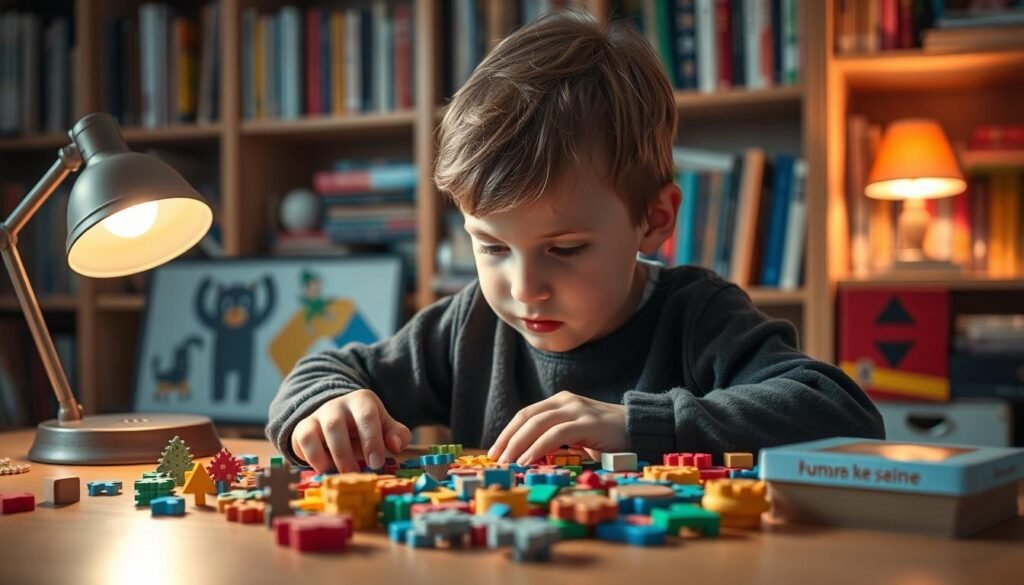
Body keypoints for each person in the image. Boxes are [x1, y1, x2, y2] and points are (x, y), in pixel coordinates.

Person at [266, 10, 884, 473]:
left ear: (654, 219)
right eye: (492, 248)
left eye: (564, 249)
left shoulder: (697, 315)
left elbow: (842, 414)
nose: (523, 286)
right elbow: (326, 369)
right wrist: (329, 405)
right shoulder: (468, 325)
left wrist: (639, 424)